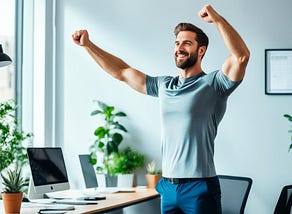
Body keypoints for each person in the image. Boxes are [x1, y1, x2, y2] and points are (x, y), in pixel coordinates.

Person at [72, 4, 249, 214]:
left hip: (199, 186)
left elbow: (241, 57)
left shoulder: (214, 84)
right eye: (177, 43)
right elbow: (122, 72)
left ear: (201, 50)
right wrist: (88, 45)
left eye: (187, 43)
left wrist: (217, 20)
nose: (179, 48)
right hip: (168, 187)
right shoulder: (165, 85)